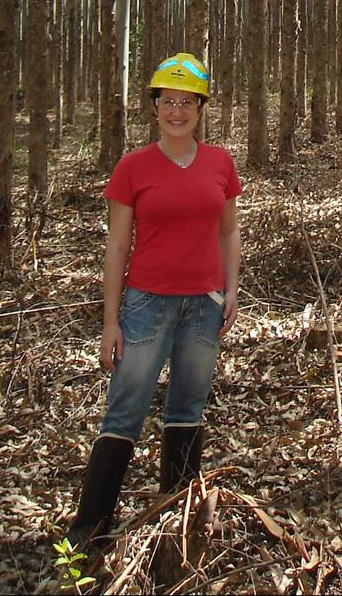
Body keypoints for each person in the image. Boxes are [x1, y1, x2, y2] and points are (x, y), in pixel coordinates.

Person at [66, 53, 242, 548]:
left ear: (201, 108)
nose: (177, 111)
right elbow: (118, 246)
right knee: (125, 408)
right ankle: (91, 525)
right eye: (168, 101)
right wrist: (109, 322)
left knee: (188, 405)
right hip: (147, 305)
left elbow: (229, 232)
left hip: (203, 306)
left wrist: (231, 289)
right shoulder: (133, 167)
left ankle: (177, 516)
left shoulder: (220, 163)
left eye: (187, 102)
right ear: (155, 108)